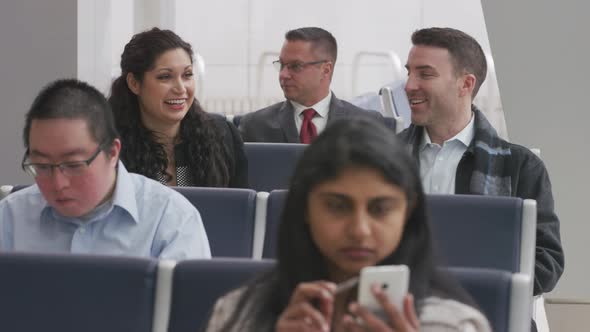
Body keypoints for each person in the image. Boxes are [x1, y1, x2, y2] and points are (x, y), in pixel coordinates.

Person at [205, 118, 491, 332]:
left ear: (408, 210)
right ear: (305, 207)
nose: (359, 230)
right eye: (337, 206)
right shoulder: (239, 315)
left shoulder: (452, 325)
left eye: (380, 209)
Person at [399, 27, 564, 329]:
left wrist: (472, 287)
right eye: (409, 73)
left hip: (487, 317)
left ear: (466, 83)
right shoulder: (380, 159)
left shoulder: (520, 167)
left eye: (425, 74)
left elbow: (547, 262)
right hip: (396, 314)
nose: (409, 85)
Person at [0, 79, 211, 260]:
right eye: (42, 166)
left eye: (73, 165)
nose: (58, 183)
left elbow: (192, 307)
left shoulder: (170, 220)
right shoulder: (10, 216)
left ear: (112, 152)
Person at [109, 27, 247, 187]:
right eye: (165, 77)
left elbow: (240, 207)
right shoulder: (108, 148)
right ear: (134, 83)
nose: (181, 88)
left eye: (187, 75)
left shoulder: (223, 135)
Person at [239, 27, 383, 143]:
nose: (283, 74)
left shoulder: (367, 126)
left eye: (295, 66)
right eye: (281, 65)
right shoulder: (255, 126)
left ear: (325, 70)